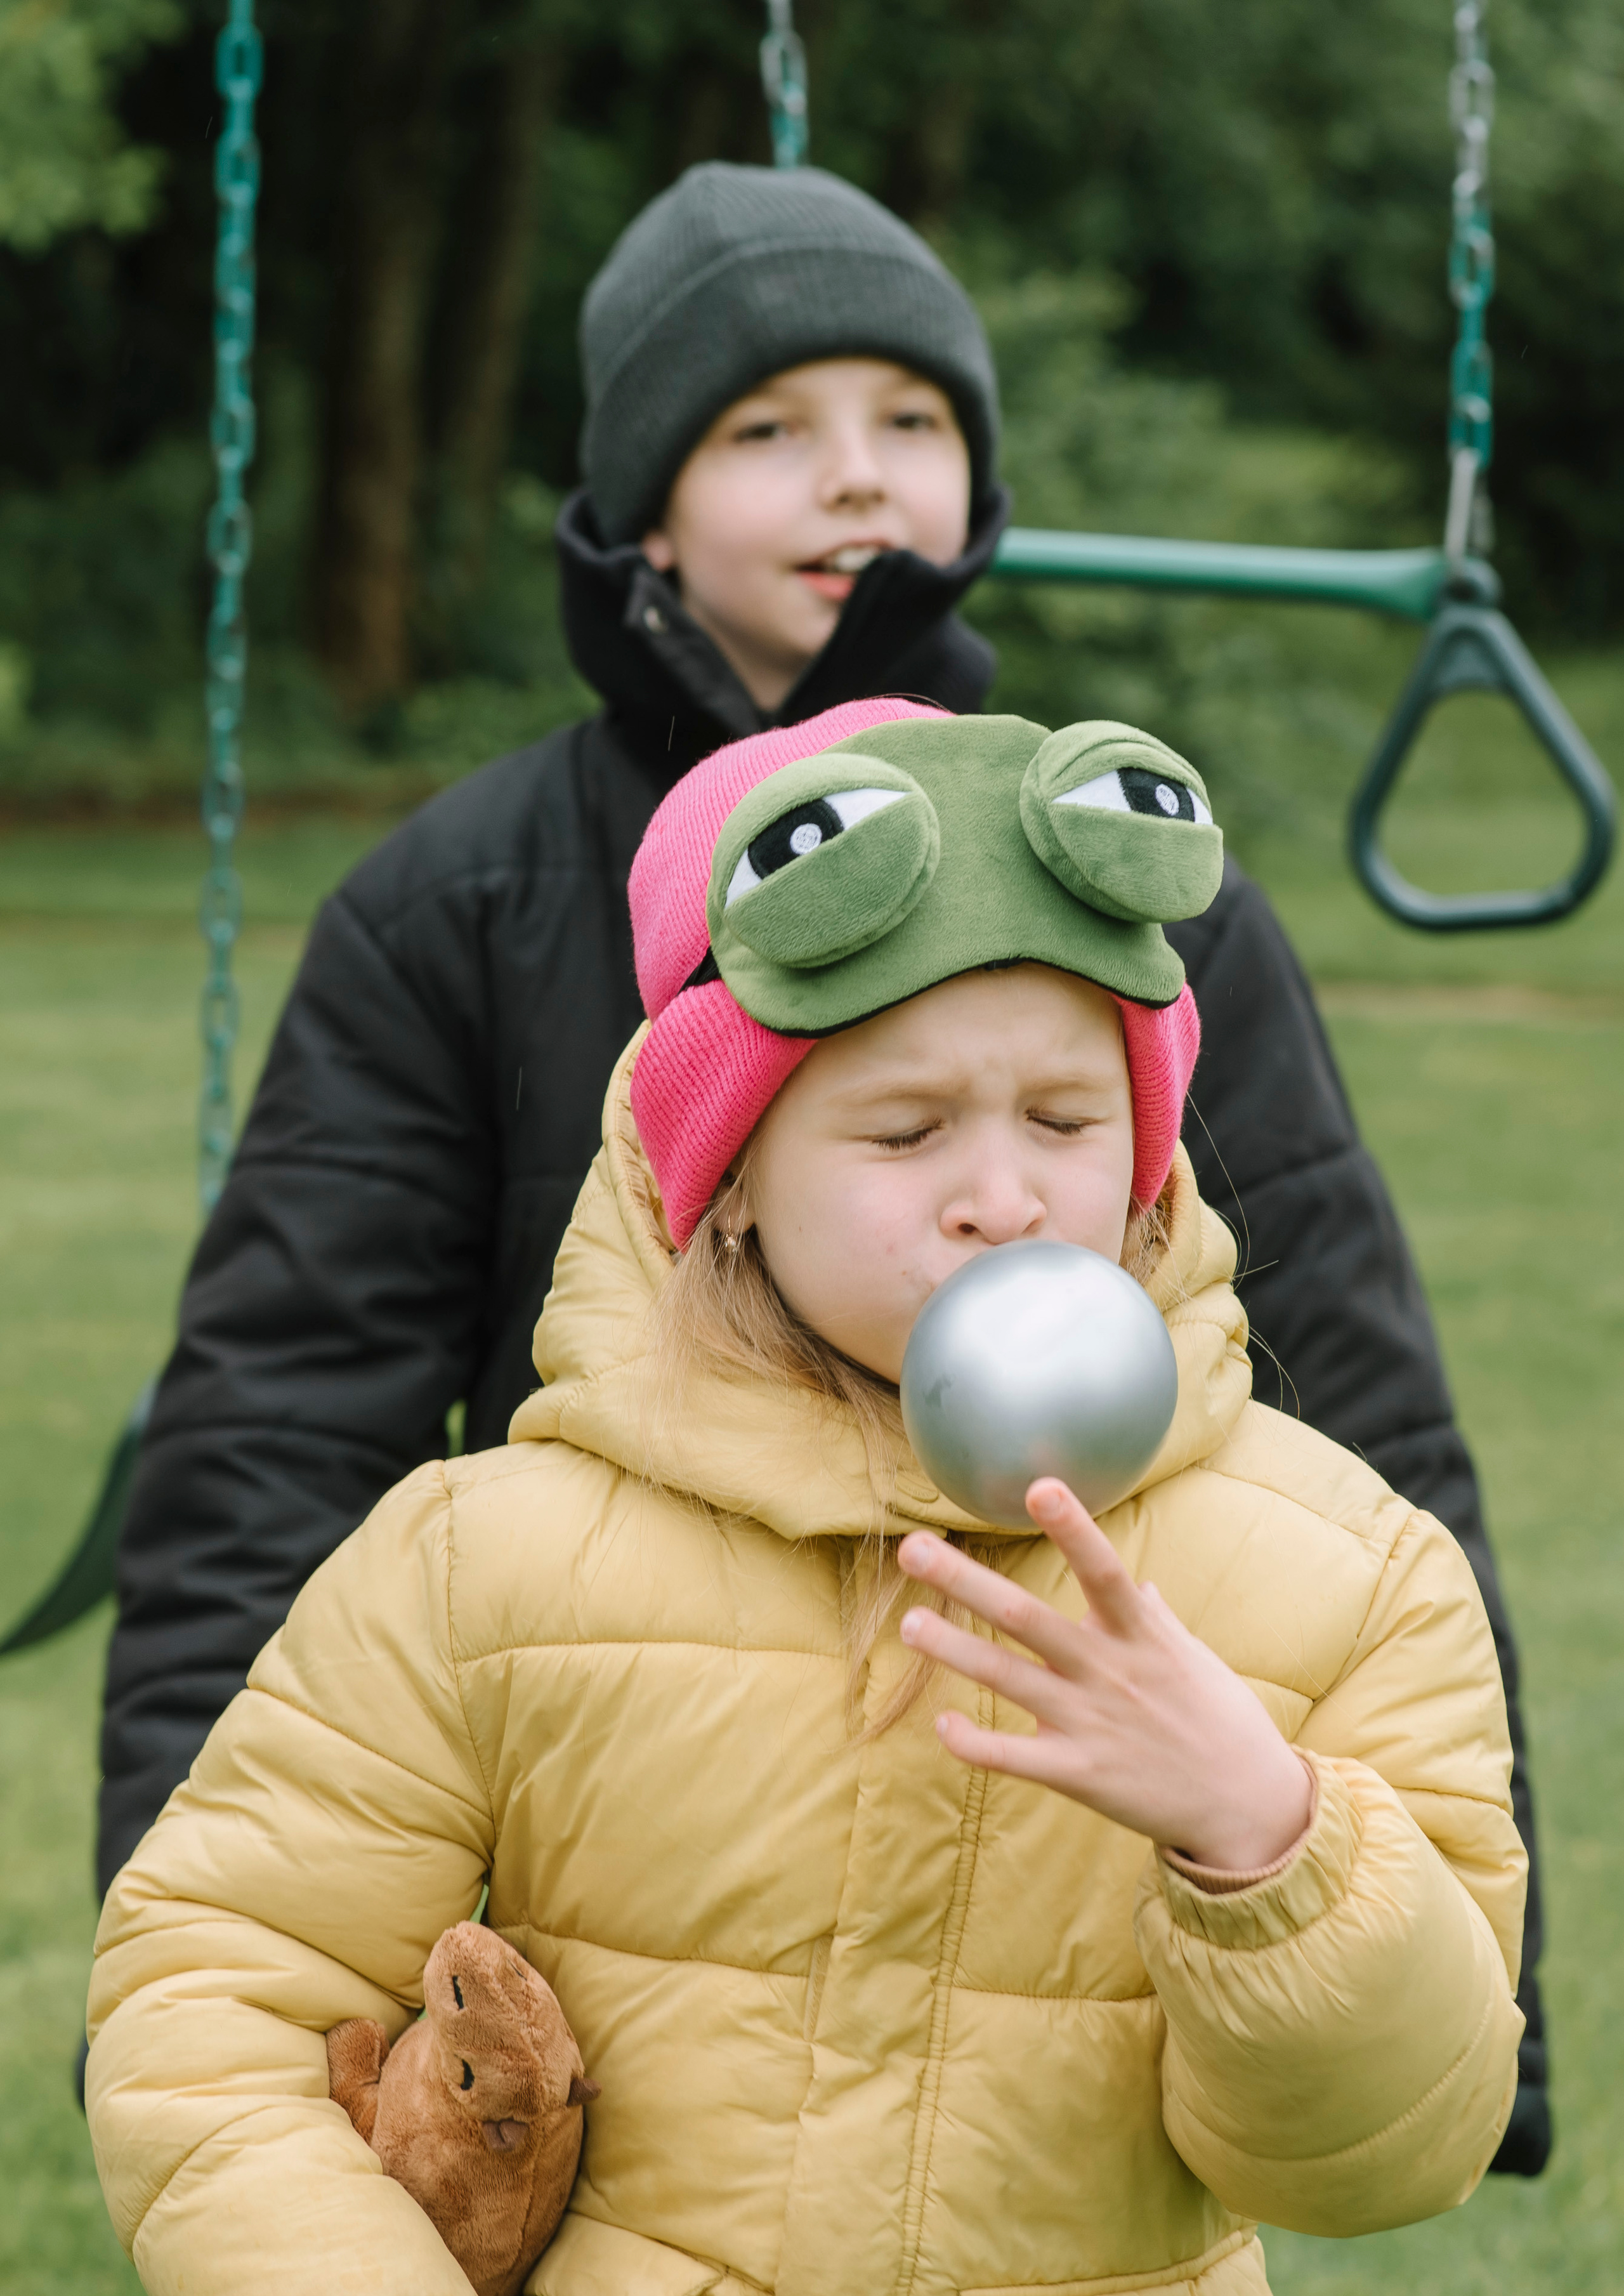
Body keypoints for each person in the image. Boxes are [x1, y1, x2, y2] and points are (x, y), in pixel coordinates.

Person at [97, 162, 1549, 2168]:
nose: (858, 473)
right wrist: (225, 1980)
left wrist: (1479, 2010)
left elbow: (1360, 1409)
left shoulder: (1139, 906)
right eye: (769, 428)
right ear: (643, 511)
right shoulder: (457, 902)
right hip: (631, 1854)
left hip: (1043, 1936)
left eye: (914, 418)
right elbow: (274, 1428)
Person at [86, 702, 1528, 2296]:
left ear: (1149, 1155)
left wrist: (1267, 1837)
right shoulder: (485, 1564)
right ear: (732, 1175)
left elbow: (1391, 2151)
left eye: (1067, 1118)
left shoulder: (1348, 1577)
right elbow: (213, 1999)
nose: (1002, 1197)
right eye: (905, 1132)